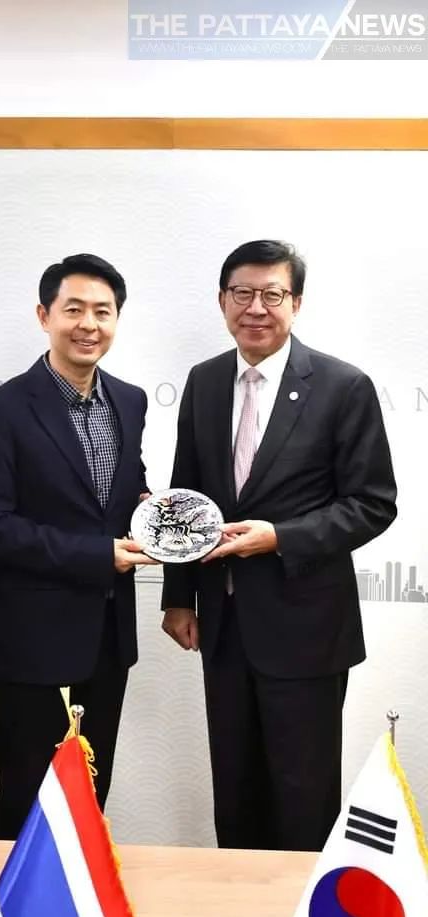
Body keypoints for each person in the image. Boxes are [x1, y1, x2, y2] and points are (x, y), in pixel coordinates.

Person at [162, 239, 397, 852]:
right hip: (223, 626)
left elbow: (373, 503)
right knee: (235, 794)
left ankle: (296, 899)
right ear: (222, 300)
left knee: (302, 797)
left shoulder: (343, 386)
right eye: (242, 293)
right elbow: (186, 492)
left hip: (306, 630)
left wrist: (280, 538)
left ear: (297, 303)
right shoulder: (205, 381)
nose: (256, 308)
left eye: (273, 294)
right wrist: (178, 596)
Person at [0, 253, 158, 839]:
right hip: (29, 642)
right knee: (28, 798)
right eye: (74, 310)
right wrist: (97, 555)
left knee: (90, 795)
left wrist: (154, 514)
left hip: (108, 638)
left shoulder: (130, 400)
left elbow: (122, 488)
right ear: (44, 315)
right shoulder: (0, 409)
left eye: (103, 311)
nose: (88, 324)